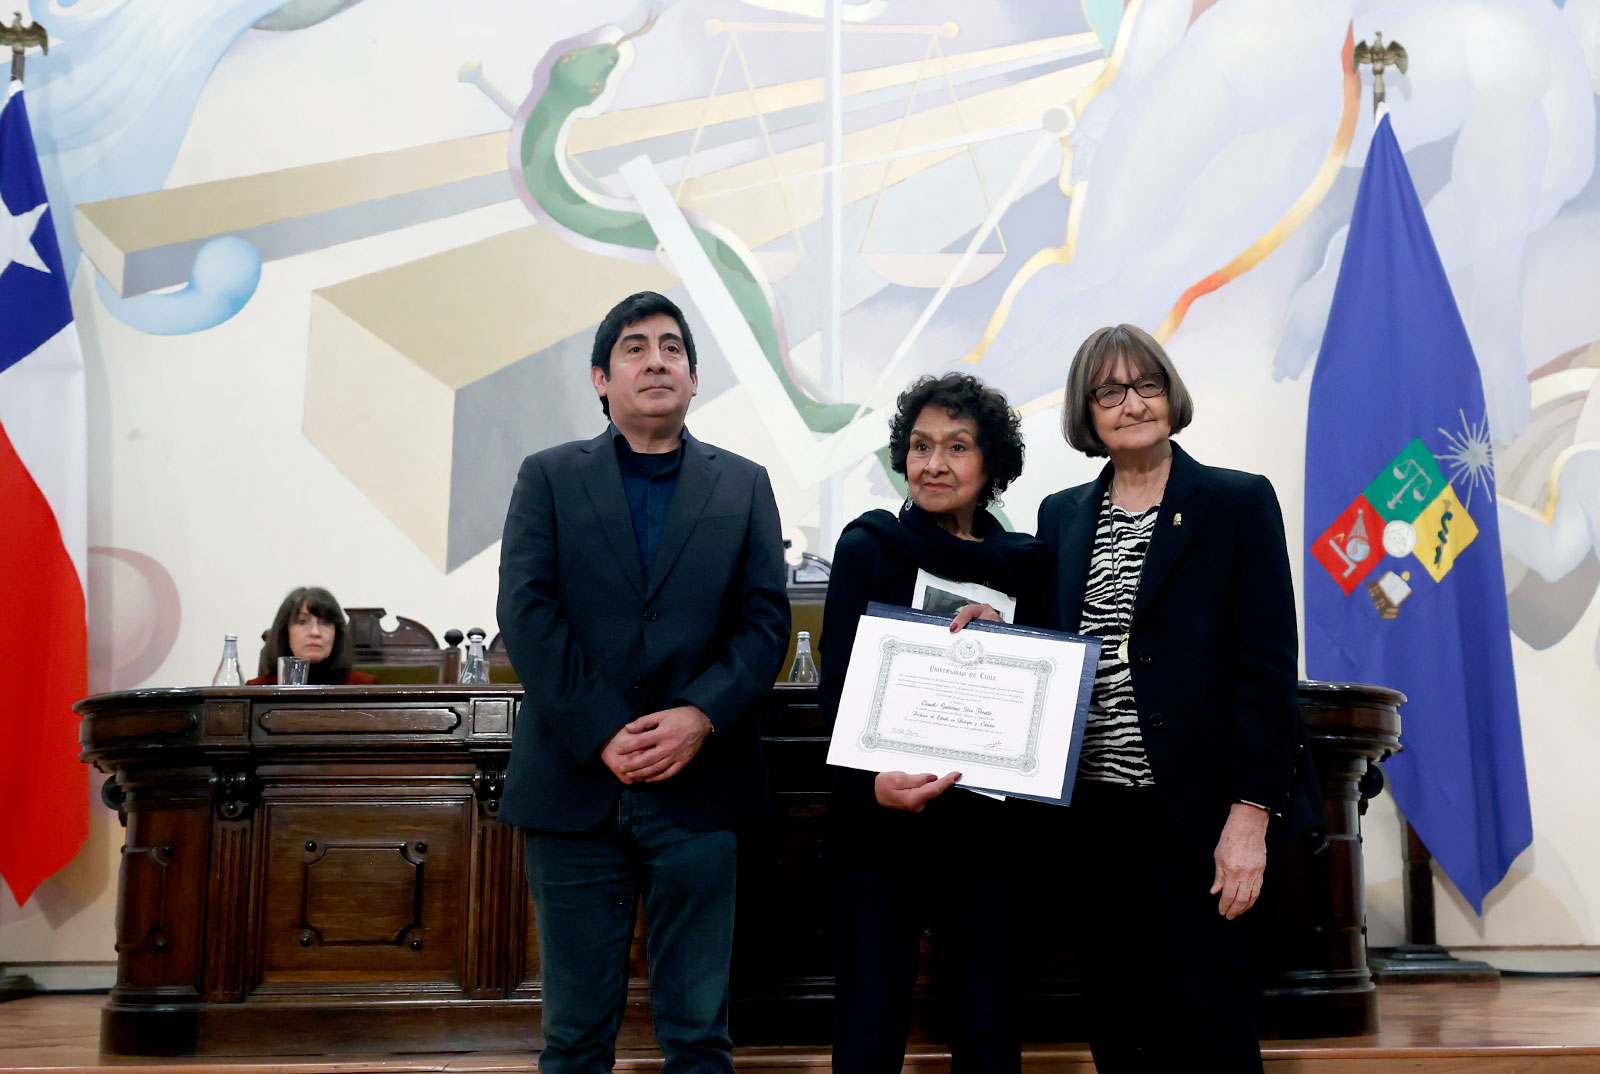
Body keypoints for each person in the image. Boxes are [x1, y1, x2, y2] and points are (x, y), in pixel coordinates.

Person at [496, 291, 790, 1074]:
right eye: (634, 348)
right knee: (574, 1038)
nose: (654, 359)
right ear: (600, 378)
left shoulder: (744, 484)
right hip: (574, 783)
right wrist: (602, 729)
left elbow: (765, 624)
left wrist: (698, 716)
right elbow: (526, 614)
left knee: (698, 1037)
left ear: (695, 378)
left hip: (703, 783)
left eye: (671, 347)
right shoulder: (549, 477)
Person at [1035, 324, 1318, 1073]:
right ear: (1086, 412)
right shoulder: (1061, 516)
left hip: (1198, 823)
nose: (1132, 402)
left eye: (1147, 384)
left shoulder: (1236, 502)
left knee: (1210, 1036)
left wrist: (1249, 818)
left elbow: (1267, 672)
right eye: (1110, 391)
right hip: (1093, 822)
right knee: (1118, 1034)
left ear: (1171, 393)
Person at [818, 372, 1050, 1074]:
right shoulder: (868, 547)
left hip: (989, 835)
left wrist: (1005, 639)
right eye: (920, 446)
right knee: (867, 1028)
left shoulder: (1029, 567)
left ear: (992, 465)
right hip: (882, 826)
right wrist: (872, 786)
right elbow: (837, 692)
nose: (934, 464)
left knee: (989, 1027)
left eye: (956, 446)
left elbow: (1048, 701)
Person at [248, 586, 377, 685]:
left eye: (325, 623)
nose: (315, 632)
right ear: (285, 631)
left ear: (337, 634)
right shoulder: (257, 691)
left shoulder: (363, 687)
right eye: (302, 621)